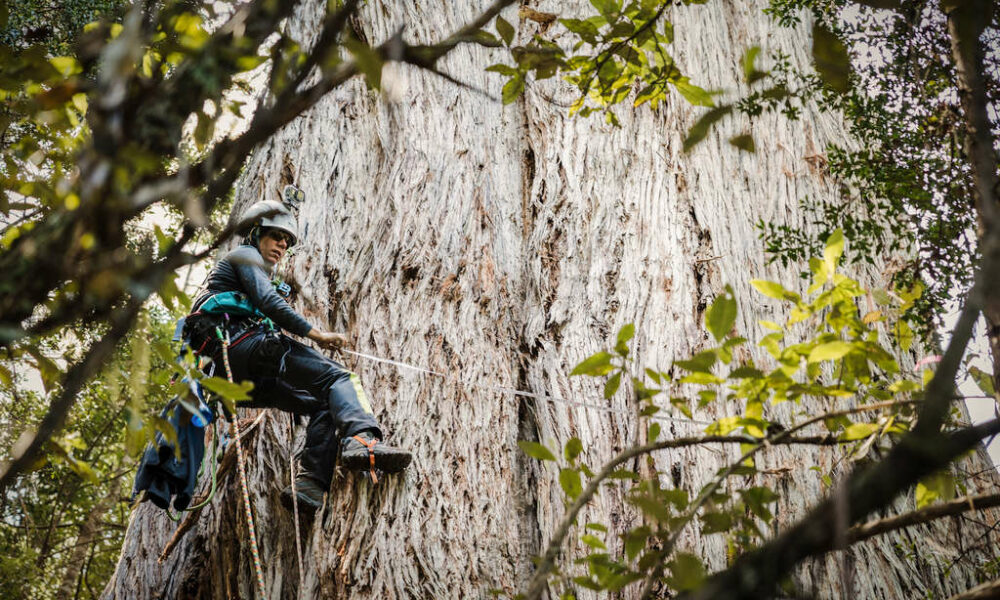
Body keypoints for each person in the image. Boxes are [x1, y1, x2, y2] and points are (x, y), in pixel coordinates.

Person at [188, 194, 411, 514]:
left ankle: (309, 485)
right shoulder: (244, 255)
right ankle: (363, 440)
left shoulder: (249, 273)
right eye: (275, 236)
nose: (281, 245)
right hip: (242, 348)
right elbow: (268, 302)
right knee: (340, 377)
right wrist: (316, 334)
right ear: (254, 233)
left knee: (325, 403)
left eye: (287, 241)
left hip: (235, 380)